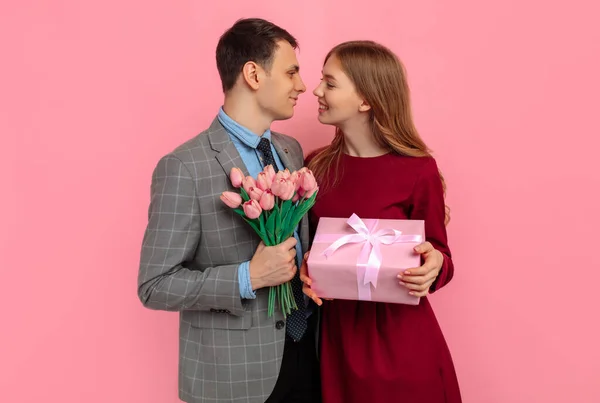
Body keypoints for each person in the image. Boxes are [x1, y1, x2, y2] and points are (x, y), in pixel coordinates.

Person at [138, 18, 320, 403]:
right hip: (232, 379)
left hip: (305, 358)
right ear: (253, 74)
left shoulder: (291, 150)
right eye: (291, 72)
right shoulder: (184, 167)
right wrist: (247, 277)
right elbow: (154, 286)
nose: (302, 86)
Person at [300, 40, 462, 403]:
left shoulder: (419, 170)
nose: (316, 90)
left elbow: (442, 256)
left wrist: (434, 264)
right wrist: (304, 271)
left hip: (403, 344)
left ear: (365, 100)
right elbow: (304, 252)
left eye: (330, 82)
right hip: (336, 345)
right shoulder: (315, 168)